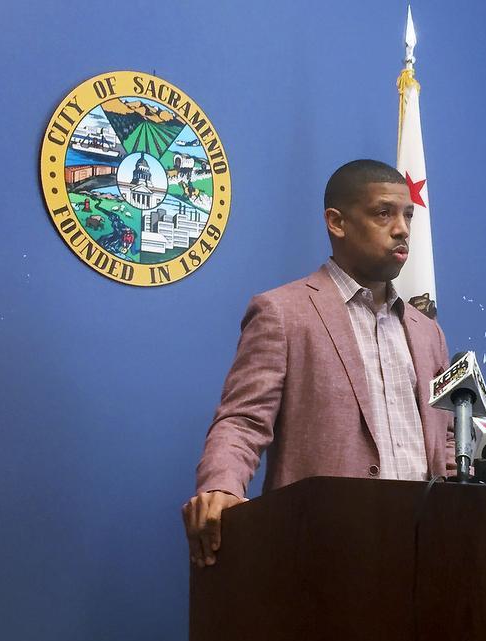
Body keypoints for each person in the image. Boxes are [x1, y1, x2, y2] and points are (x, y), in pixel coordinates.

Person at [181, 159, 454, 568]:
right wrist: (220, 486)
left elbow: (446, 440)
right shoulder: (283, 312)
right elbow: (242, 421)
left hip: (426, 555)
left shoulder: (427, 331)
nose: (402, 229)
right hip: (322, 553)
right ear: (337, 222)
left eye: (407, 215)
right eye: (384, 213)